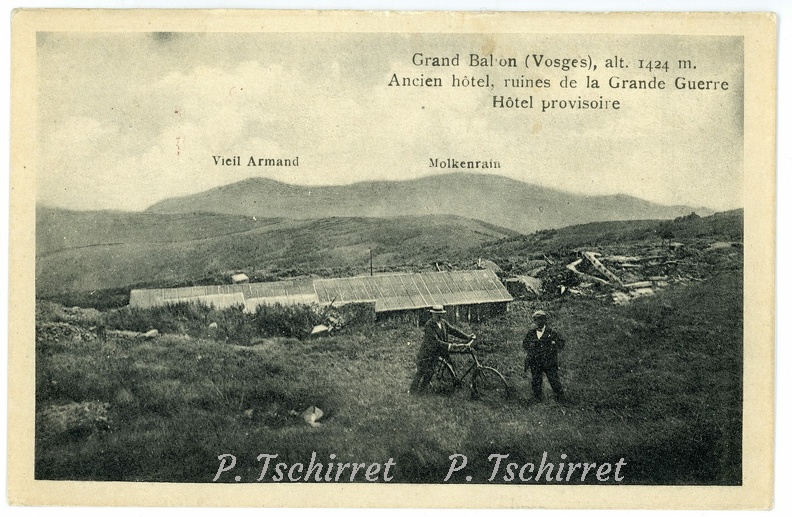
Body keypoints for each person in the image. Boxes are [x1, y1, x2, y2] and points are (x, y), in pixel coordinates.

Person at [410, 305, 474, 394]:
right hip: (428, 352)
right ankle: (412, 392)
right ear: (432, 314)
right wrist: (450, 345)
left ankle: (422, 392)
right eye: (436, 314)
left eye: (440, 314)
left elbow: (453, 331)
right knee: (422, 372)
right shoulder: (429, 325)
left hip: (438, 351)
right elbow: (435, 341)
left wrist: (466, 336)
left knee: (430, 372)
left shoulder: (443, 323)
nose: (439, 316)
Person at [523, 310, 566, 402]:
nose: (538, 322)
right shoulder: (531, 333)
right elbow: (525, 344)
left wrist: (554, 343)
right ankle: (537, 398)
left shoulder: (552, 332)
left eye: (540, 319)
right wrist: (531, 347)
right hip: (535, 361)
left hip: (549, 361)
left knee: (553, 379)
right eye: (536, 320)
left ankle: (560, 398)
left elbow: (561, 343)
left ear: (544, 320)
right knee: (536, 380)